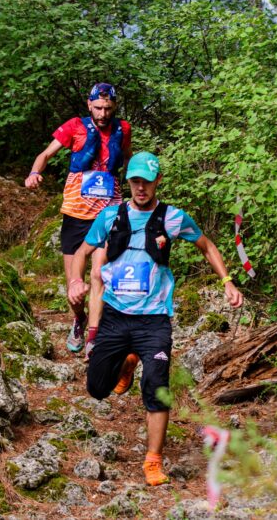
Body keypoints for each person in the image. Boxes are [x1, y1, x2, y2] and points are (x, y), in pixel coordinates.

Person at [67, 151, 243, 486]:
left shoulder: (173, 218)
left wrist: (228, 282)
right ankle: (126, 363)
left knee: (156, 387)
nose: (141, 188)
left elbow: (207, 246)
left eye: (147, 182)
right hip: (115, 315)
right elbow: (82, 252)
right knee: (97, 388)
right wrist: (76, 280)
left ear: (157, 181)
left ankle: (153, 461)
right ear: (128, 182)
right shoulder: (110, 216)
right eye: (135, 181)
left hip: (154, 320)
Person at [25, 83, 132, 352]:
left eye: (108, 108)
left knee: (99, 274)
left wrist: (139, 192)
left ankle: (94, 336)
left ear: (114, 107)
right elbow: (45, 154)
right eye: (98, 108)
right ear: (89, 105)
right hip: (76, 214)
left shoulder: (123, 129)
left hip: (108, 214)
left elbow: (128, 161)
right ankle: (78, 318)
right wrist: (34, 173)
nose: (103, 113)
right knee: (74, 285)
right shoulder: (75, 126)